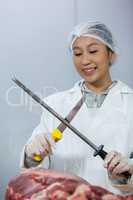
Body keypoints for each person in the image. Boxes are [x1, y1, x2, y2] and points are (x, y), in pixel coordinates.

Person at [20, 21, 133, 195]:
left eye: (93, 51)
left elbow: (129, 179)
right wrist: (32, 154)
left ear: (111, 54)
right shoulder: (55, 104)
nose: (85, 60)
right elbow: (33, 168)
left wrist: (125, 176)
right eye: (77, 53)